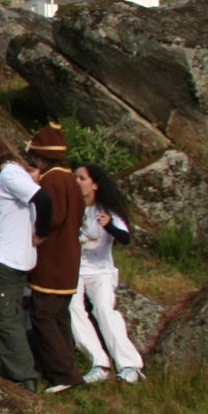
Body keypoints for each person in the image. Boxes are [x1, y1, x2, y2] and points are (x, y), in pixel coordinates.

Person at [0, 133, 55, 392]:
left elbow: (43, 199)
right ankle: (23, 369)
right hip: (13, 255)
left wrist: (41, 233)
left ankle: (23, 375)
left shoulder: (9, 174)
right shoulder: (13, 174)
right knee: (11, 314)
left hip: (7, 257)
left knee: (3, 316)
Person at [71, 163, 145, 384]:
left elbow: (125, 238)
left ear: (95, 184)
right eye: (75, 177)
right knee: (72, 308)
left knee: (104, 309)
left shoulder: (106, 210)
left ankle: (130, 366)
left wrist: (109, 225)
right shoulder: (71, 207)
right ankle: (99, 363)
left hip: (101, 271)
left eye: (82, 178)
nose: (77, 182)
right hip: (74, 271)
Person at [26, 123, 85, 394]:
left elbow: (52, 215)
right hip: (68, 259)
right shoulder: (70, 180)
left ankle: (62, 373)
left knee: (43, 315)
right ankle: (68, 368)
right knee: (59, 316)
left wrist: (38, 233)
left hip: (53, 260)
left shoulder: (52, 180)